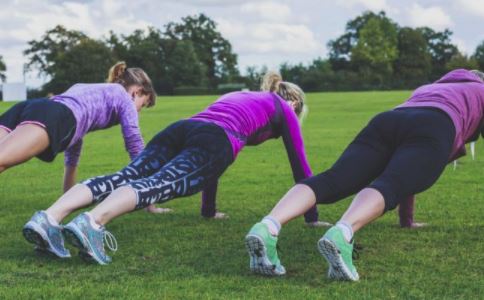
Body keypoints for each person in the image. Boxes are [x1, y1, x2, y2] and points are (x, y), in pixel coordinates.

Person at [22, 71, 322, 264]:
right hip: (215, 141)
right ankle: (93, 222)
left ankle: (50, 217)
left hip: (182, 128)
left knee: (125, 176)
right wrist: (311, 217)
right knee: (158, 184)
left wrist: (208, 210)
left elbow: (211, 152)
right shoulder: (285, 109)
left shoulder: (240, 96)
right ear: (294, 103)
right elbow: (301, 169)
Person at [245, 69, 484, 279]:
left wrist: (406, 220)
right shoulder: (480, 90)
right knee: (390, 184)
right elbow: (403, 176)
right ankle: (343, 233)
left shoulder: (432, 87)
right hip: (437, 124)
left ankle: (268, 226)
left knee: (332, 179)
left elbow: (403, 167)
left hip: (388, 120)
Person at [0, 62, 156, 192]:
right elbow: (135, 145)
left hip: (31, 106)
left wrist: (66, 200)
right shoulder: (125, 98)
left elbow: (74, 136)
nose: (138, 112)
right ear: (137, 92)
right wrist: (148, 199)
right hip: (54, 115)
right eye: (142, 105)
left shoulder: (92, 91)